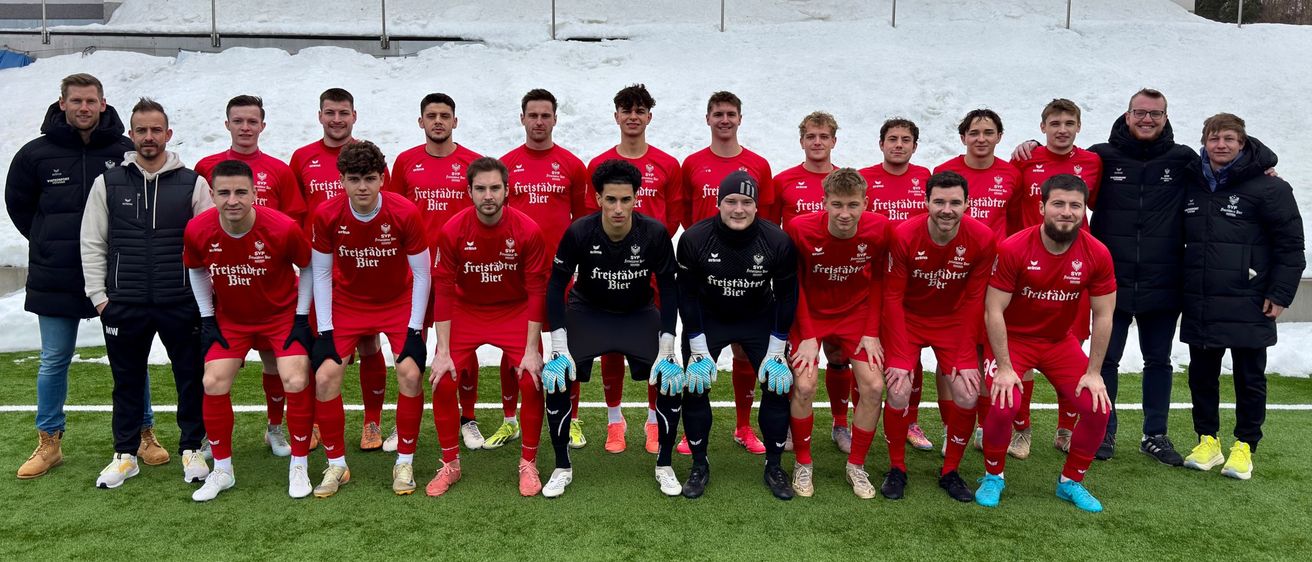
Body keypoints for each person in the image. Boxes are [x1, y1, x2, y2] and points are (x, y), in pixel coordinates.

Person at [5, 73, 165, 479]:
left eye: (91, 101)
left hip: (117, 276)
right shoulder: (34, 155)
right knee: (54, 359)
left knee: (130, 359)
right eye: (76, 101)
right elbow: (20, 207)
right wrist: (47, 241)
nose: (83, 108)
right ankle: (49, 441)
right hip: (55, 275)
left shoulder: (126, 151)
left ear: (102, 103)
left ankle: (144, 433)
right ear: (63, 104)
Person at [81, 98, 215, 489]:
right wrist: (100, 299)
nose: (149, 137)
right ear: (131, 134)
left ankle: (191, 446)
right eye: (141, 130)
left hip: (180, 302)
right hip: (125, 303)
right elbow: (92, 242)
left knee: (189, 376)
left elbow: (209, 245)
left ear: (168, 134)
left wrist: (204, 301)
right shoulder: (108, 183)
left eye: (156, 130)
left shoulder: (194, 183)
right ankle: (125, 454)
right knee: (126, 380)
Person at [539, 159, 682, 497]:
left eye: (626, 200)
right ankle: (562, 466)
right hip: (588, 311)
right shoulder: (579, 231)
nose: (619, 208)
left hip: (638, 312)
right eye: (611, 200)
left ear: (637, 198)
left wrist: (668, 345)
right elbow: (555, 283)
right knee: (556, 378)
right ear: (598, 198)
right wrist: (557, 344)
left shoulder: (655, 233)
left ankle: (664, 464)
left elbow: (670, 288)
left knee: (671, 378)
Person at [975, 174, 1116, 513]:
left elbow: (1105, 315)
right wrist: (1005, 367)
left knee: (1098, 408)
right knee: (1003, 403)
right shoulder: (1014, 248)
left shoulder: (1097, 253)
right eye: (1058, 204)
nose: (1066, 212)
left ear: (1084, 211)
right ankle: (993, 476)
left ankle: (1071, 482)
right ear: (1042, 207)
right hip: (1013, 338)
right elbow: (993, 309)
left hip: (1057, 341)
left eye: (1075, 206)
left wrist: (1094, 372)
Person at [1179, 113, 1304, 480]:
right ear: (1204, 141)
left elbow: (1291, 245)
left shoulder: (1270, 188)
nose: (1221, 145)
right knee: (1202, 375)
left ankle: (1245, 446)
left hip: (1250, 298)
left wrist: (1280, 293)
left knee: (1250, 377)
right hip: (1202, 297)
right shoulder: (1192, 182)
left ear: (1242, 143)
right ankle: (1208, 441)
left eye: (1229, 138)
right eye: (1214, 138)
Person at [183, 160, 314, 500]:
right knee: (212, 381)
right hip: (232, 319)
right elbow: (196, 269)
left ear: (255, 193)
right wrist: (208, 318)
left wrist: (301, 316)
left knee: (295, 378)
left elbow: (309, 266)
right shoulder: (198, 229)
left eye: (241, 192)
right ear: (212, 194)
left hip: (281, 315)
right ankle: (223, 470)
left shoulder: (283, 227)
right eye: (224, 193)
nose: (232, 200)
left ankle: (297, 462)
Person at [307, 140, 430, 498]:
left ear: (382, 179)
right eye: (354, 178)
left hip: (397, 301)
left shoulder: (405, 212)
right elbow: (321, 274)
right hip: (347, 302)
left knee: (410, 371)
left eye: (370, 178)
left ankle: (404, 460)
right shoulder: (326, 214)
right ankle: (336, 465)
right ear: (341, 179)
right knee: (326, 375)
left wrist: (413, 330)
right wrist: (326, 331)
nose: (362, 186)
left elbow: (422, 274)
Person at [194, 94, 307, 458]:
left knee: (280, 365)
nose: (245, 127)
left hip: (272, 288)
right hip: (230, 292)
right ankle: (213, 443)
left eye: (251, 121)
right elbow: (198, 235)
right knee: (213, 376)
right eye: (238, 121)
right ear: (227, 124)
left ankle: (275, 429)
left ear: (262, 125)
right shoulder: (206, 166)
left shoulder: (278, 169)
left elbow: (294, 226)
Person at [428, 157, 549, 498]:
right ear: (469, 191)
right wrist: (442, 352)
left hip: (514, 310)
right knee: (442, 379)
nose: (488, 195)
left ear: (507, 190)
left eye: (495, 188)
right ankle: (450, 464)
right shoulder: (452, 230)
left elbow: (537, 291)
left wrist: (530, 351)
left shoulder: (527, 230)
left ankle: (529, 463)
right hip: (467, 311)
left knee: (531, 379)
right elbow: (445, 291)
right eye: (480, 188)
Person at [676, 171, 798, 500]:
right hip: (709, 317)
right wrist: (698, 350)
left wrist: (776, 350)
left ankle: (774, 466)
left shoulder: (777, 240)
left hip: (757, 318)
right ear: (718, 204)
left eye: (747, 202)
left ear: (758, 207)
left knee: (777, 384)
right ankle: (699, 465)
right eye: (731, 201)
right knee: (695, 385)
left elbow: (787, 297)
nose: (739, 209)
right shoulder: (695, 239)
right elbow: (685, 297)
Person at [880, 171, 995, 502]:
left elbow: (975, 300)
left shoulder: (983, 239)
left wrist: (964, 358)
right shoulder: (904, 235)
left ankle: (950, 472)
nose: (947, 209)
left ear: (967, 204)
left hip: (953, 321)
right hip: (909, 318)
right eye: (940, 202)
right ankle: (897, 468)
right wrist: (901, 358)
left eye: (955, 202)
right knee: (899, 391)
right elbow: (892, 299)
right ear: (926, 202)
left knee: (968, 392)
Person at [290, 88, 390, 452]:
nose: (336, 119)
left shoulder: (372, 158)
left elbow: (385, 212)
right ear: (319, 116)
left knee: (368, 342)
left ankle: (372, 421)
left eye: (343, 112)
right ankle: (319, 421)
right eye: (330, 112)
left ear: (354, 116)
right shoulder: (302, 158)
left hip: (364, 269)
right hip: (323, 270)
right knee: (324, 344)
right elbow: (297, 215)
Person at [585, 84, 683, 455]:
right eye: (626, 110)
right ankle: (615, 420)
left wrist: (647, 250)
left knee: (657, 343)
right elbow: (591, 216)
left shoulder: (666, 165)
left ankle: (653, 420)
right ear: (616, 116)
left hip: (653, 269)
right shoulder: (598, 165)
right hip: (608, 269)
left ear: (649, 117)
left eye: (640, 110)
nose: (633, 116)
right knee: (611, 346)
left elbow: (672, 218)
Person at [1004, 99, 1102, 459]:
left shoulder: (1092, 163)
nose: (1062, 129)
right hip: (1028, 269)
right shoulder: (1024, 160)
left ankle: (1066, 427)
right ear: (1042, 127)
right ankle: (1021, 429)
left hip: (1074, 270)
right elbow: (1009, 207)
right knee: (1022, 353)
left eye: (1069, 123)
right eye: (1055, 123)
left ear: (1079, 127)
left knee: (1070, 347)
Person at [388, 92, 486, 452]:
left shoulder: (473, 163)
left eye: (445, 115)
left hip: (459, 274)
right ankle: (404, 424)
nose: (438, 121)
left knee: (463, 347)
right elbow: (392, 212)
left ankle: (468, 417)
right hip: (413, 275)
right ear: (421, 122)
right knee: (411, 344)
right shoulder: (405, 163)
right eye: (431, 115)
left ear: (455, 121)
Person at [679, 91, 775, 455]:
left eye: (730, 114)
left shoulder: (758, 164)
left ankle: (743, 427)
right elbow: (688, 216)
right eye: (717, 113)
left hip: (746, 272)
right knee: (700, 352)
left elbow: (763, 216)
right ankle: (694, 432)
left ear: (739, 119)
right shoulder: (691, 163)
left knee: (743, 353)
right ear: (707, 119)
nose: (724, 119)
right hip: (706, 270)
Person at [783, 167, 888, 499]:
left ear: (865, 204)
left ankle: (856, 465)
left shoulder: (880, 229)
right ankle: (803, 463)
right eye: (838, 204)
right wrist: (809, 335)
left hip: (856, 317)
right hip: (810, 315)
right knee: (803, 385)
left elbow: (879, 280)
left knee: (873, 386)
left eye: (853, 205)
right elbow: (793, 283)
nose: (845, 214)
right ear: (824, 202)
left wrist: (871, 332)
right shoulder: (799, 229)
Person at [502, 88, 593, 451]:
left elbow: (582, 221)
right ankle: (510, 419)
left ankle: (571, 419)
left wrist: (579, 268)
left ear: (555, 119)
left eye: (545, 115)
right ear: (522, 118)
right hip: (517, 272)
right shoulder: (506, 164)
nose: (539, 122)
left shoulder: (572, 165)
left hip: (561, 274)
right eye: (533, 115)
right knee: (515, 346)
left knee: (563, 347)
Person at [771, 112, 859, 455]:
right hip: (799, 286)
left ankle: (840, 424)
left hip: (840, 287)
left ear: (834, 141)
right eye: (811, 136)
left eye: (824, 136)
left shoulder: (850, 184)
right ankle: (793, 428)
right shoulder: (784, 181)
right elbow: (771, 231)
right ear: (802, 141)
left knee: (839, 355)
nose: (817, 142)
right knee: (799, 361)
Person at [934, 108, 1022, 449]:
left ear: (999, 137)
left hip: (996, 277)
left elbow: (1016, 221)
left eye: (988, 132)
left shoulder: (1012, 174)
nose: (981, 139)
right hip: (955, 273)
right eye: (974, 132)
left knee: (989, 349)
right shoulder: (946, 171)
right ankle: (948, 425)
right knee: (952, 351)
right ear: (963, 138)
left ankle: (985, 426)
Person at [859, 117, 935, 453]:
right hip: (872, 277)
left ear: (915, 146)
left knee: (911, 352)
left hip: (913, 279)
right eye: (893, 138)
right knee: (866, 352)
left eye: (906, 139)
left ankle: (911, 420)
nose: (899, 144)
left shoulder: (924, 178)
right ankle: (858, 417)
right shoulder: (866, 178)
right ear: (881, 144)